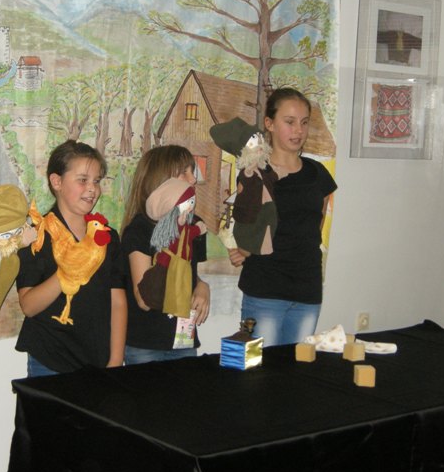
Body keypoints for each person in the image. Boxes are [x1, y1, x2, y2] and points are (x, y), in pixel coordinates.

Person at [228, 88, 337, 347]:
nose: (298, 130)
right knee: (261, 366)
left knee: (296, 365)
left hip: (307, 290)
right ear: (269, 123)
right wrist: (243, 250)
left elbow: (314, 228)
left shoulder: (318, 174)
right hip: (265, 289)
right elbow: (246, 230)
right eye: (289, 122)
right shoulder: (255, 173)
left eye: (304, 122)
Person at [15, 140, 126, 376]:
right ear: (57, 182)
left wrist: (116, 359)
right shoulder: (36, 235)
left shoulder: (107, 236)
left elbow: (117, 301)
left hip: (98, 359)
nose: (92, 189)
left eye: (97, 181)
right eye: (83, 180)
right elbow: (29, 306)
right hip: (50, 360)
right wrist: (68, 270)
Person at [120, 145, 210, 364]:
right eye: (184, 172)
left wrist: (201, 286)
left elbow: (188, 273)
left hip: (183, 340)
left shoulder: (194, 225)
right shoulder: (140, 229)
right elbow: (144, 300)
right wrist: (172, 247)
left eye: (192, 171)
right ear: (160, 181)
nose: (193, 179)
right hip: (146, 344)